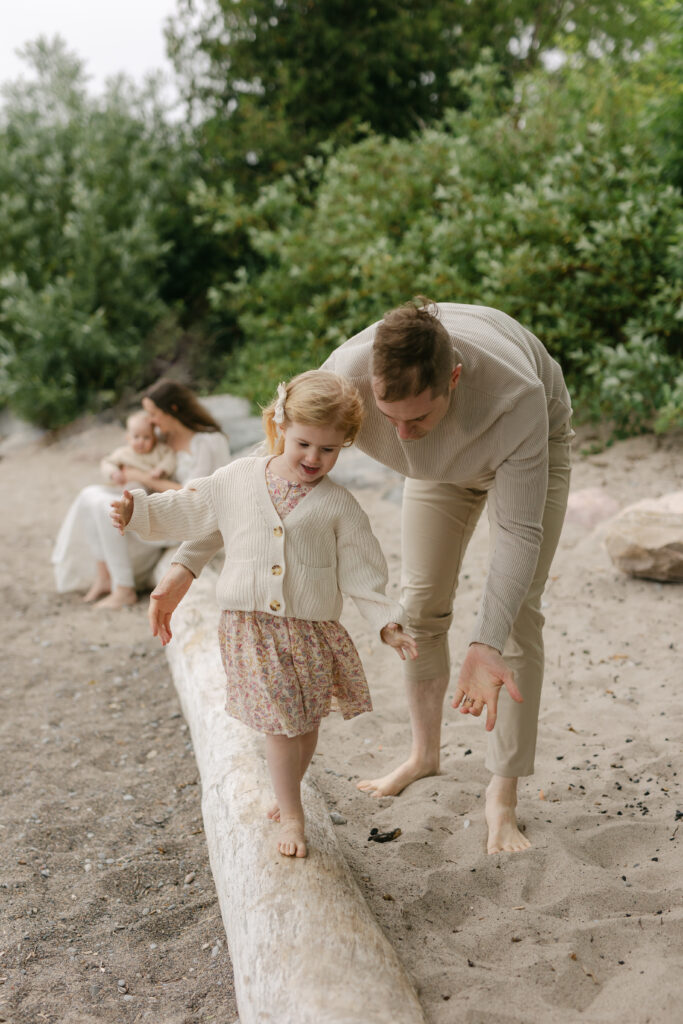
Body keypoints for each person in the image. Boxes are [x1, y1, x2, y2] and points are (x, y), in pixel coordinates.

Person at [149, 300, 573, 855]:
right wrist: (187, 564)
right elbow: (255, 486)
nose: (401, 434)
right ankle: (425, 754)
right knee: (419, 608)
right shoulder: (346, 375)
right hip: (438, 473)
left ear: (454, 378)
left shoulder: (514, 398)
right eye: (387, 416)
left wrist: (484, 640)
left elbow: (518, 533)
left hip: (525, 453)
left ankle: (503, 794)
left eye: (415, 418)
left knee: (515, 620)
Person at [110, 371, 417, 858]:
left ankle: (288, 788)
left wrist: (388, 622)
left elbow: (364, 570)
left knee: (308, 721)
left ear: (344, 446)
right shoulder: (238, 478)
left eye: (329, 450)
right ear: (280, 424)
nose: (314, 459)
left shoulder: (339, 505)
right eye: (304, 444)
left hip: (313, 631)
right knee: (281, 724)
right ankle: (293, 815)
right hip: (252, 627)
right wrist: (139, 512)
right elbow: (193, 510)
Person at [52, 380, 231, 609]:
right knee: (89, 494)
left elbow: (195, 496)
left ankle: (124, 588)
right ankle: (105, 576)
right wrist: (120, 471)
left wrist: (144, 478)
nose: (150, 420)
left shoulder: (207, 442)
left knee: (111, 504)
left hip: (184, 516)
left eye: (153, 413)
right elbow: (132, 455)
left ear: (172, 410)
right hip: (157, 503)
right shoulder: (162, 437)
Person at [100, 410, 176, 489]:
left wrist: (161, 469)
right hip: (132, 486)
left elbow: (170, 457)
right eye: (136, 436)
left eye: (146, 437)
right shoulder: (123, 453)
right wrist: (114, 473)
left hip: (156, 487)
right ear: (128, 437)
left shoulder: (159, 450)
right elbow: (107, 462)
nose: (141, 441)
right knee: (133, 487)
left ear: (154, 439)